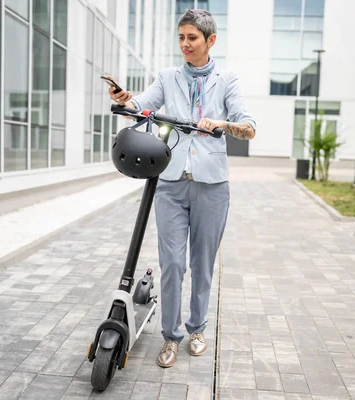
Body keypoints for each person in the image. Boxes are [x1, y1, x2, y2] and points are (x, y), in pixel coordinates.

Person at [107, 8, 256, 368]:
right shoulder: (167, 77)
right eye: (181, 37)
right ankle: (171, 336)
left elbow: (248, 126)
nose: (185, 44)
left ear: (210, 41)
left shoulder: (227, 80)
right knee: (172, 263)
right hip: (170, 184)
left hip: (212, 186)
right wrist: (124, 100)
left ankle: (198, 328)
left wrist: (221, 122)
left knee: (201, 264)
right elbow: (140, 107)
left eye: (192, 38)